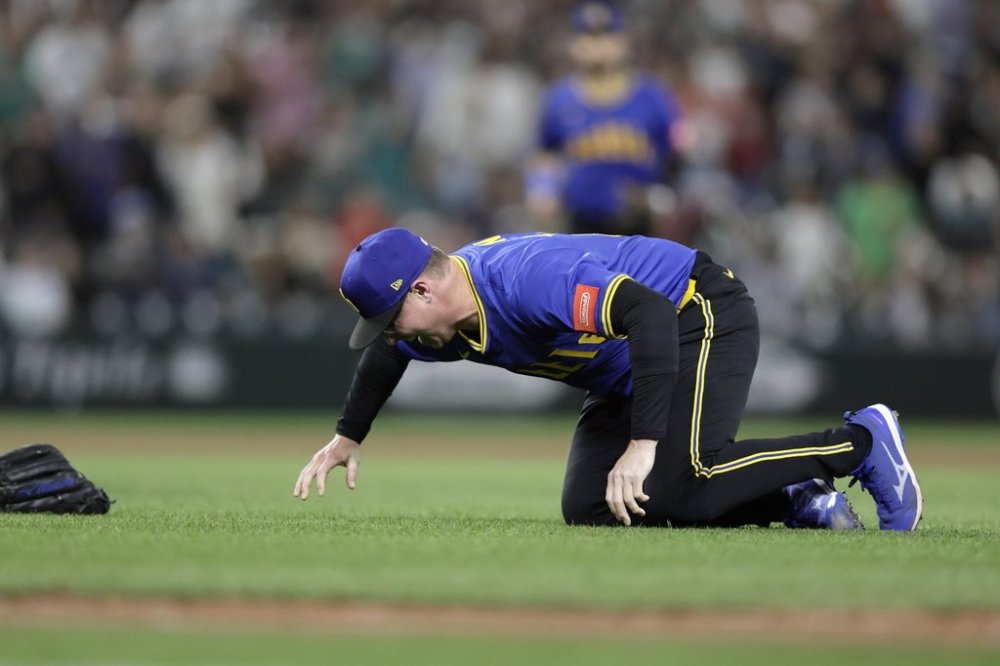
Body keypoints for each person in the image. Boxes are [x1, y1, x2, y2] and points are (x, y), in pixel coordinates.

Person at [294, 227, 923, 531]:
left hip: (695, 309)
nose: (391, 334)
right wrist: (348, 435)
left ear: (424, 288)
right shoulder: (432, 325)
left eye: (390, 317)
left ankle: (861, 442)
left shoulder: (523, 278)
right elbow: (385, 356)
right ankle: (792, 498)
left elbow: (647, 311)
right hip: (630, 365)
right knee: (594, 506)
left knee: (684, 479)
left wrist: (645, 442)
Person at [524, 1, 682, 237]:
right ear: (573, 44)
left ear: (624, 42)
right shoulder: (559, 99)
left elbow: (678, 150)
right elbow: (545, 153)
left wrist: (664, 195)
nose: (596, 45)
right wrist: (542, 188)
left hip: (642, 225)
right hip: (582, 222)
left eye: (606, 35)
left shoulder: (653, 96)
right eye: (586, 36)